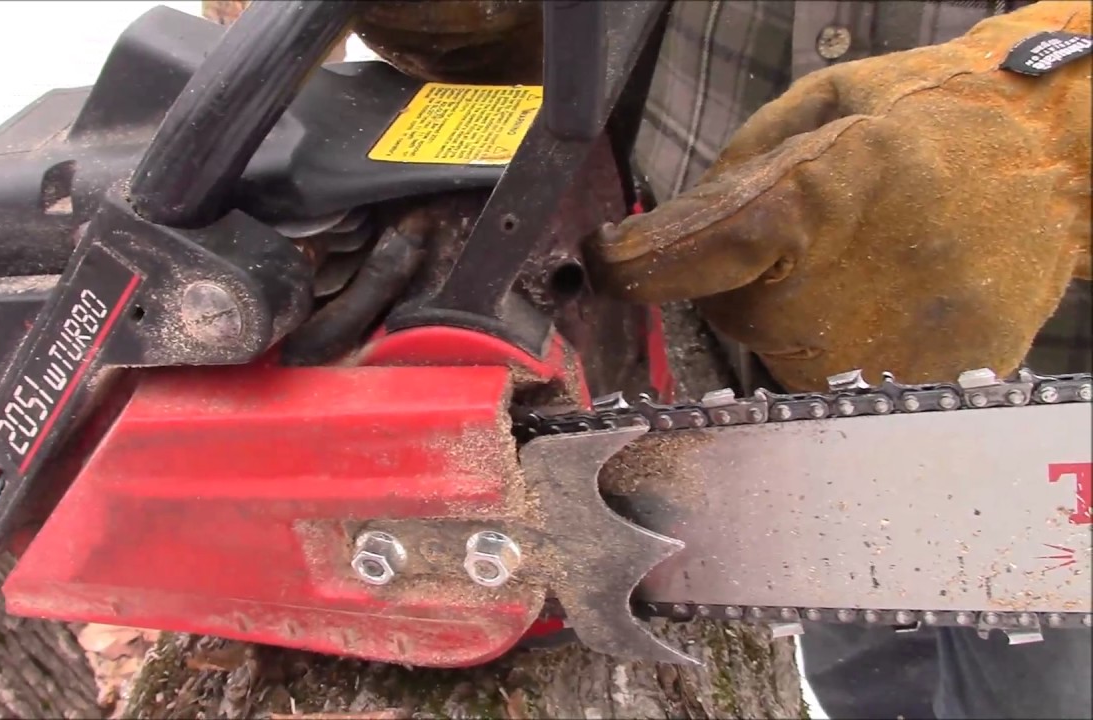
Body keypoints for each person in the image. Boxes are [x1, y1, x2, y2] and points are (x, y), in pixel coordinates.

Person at [344, 1, 1091, 718]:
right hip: (749, 345)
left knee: (1036, 690)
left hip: (1052, 404)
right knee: (858, 649)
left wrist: (1054, 128)